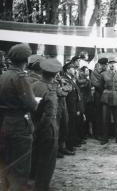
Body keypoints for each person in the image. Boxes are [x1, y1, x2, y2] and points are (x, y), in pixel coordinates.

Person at [0, 43, 37, 190]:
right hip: (20, 125)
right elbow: (31, 104)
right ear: (26, 60)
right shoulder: (20, 77)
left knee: (8, 162)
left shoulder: (3, 76)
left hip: (5, 123)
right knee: (21, 164)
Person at [32, 58, 62, 191]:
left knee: (36, 157)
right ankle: (42, 187)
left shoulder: (34, 85)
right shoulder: (50, 91)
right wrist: (41, 130)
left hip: (33, 125)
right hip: (48, 130)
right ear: (55, 74)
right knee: (47, 162)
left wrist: (34, 129)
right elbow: (49, 116)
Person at [100, 57, 117, 145]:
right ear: (108, 65)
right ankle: (104, 138)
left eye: (114, 63)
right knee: (105, 120)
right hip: (106, 98)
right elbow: (101, 87)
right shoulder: (103, 74)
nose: (112, 65)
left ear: (116, 64)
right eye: (110, 63)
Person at [90, 58, 108, 140]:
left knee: (104, 115)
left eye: (105, 65)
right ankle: (97, 134)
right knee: (97, 115)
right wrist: (105, 87)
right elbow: (95, 84)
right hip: (98, 95)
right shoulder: (94, 73)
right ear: (100, 65)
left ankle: (104, 133)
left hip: (105, 95)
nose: (105, 66)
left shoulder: (107, 72)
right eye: (103, 65)